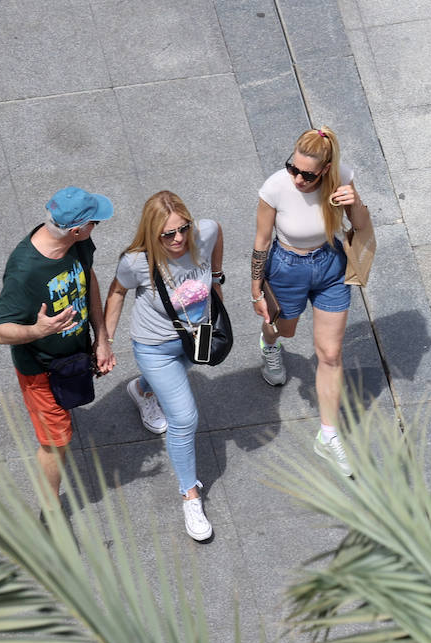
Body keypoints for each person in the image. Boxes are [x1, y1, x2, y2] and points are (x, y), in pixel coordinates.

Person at [101, 191, 224, 542]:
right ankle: (190, 495)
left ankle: (142, 389)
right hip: (155, 348)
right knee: (184, 419)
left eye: (183, 229)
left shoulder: (204, 232)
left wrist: (216, 278)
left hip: (196, 335)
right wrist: (105, 340)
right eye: (167, 234)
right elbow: (117, 292)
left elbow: (218, 232)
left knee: (176, 379)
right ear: (152, 233)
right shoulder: (137, 262)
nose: (178, 239)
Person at [251, 126, 370, 477]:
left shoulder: (341, 177)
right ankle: (269, 344)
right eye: (293, 168)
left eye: (307, 174)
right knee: (284, 331)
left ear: (326, 169)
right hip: (287, 268)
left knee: (330, 354)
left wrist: (354, 202)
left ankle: (328, 435)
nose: (298, 179)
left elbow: (361, 225)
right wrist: (257, 292)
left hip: (331, 264)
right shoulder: (275, 188)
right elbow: (261, 241)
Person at [0, 186, 114, 499]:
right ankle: (50, 509)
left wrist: (101, 338)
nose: (96, 227)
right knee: (56, 442)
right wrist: (38, 330)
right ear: (75, 230)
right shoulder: (24, 271)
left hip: (74, 354)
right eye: (94, 223)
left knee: (63, 422)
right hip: (40, 370)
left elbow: (88, 278)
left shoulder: (78, 244)